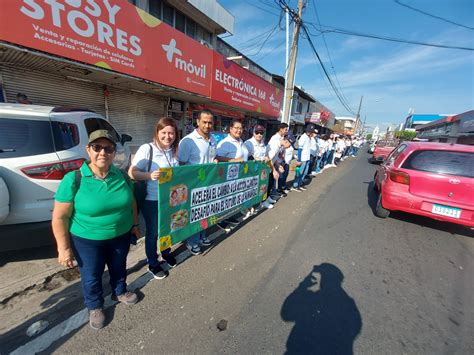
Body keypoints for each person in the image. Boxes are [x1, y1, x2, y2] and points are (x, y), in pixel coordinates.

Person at [52, 130, 140, 330]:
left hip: (121, 235)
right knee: (92, 275)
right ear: (88, 150)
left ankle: (120, 291)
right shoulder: (74, 179)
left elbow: (132, 203)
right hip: (87, 240)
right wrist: (63, 248)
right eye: (97, 147)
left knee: (119, 267)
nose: (103, 152)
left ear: (114, 152)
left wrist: (135, 225)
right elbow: (59, 217)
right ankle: (95, 306)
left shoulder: (120, 176)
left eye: (108, 148)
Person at [129, 117, 179, 280]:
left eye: (171, 133)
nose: (167, 136)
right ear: (157, 132)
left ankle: (166, 253)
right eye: (163, 132)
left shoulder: (174, 150)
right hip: (151, 199)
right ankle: (152, 263)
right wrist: (149, 175)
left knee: (168, 228)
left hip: (170, 199)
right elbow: (132, 172)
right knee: (153, 232)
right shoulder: (147, 149)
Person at [178, 110, 217, 255]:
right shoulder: (188, 141)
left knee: (206, 211)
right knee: (195, 214)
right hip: (193, 186)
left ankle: (202, 236)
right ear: (197, 122)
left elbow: (212, 158)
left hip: (209, 185)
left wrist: (214, 162)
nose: (207, 125)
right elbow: (181, 164)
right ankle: (192, 241)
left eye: (210, 122)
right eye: (204, 122)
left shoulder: (213, 139)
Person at [266, 123, 289, 207]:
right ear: (281, 129)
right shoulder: (275, 141)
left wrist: (278, 165)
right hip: (268, 165)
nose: (287, 143)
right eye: (286, 129)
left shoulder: (279, 140)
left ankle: (268, 197)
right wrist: (274, 170)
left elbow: (274, 158)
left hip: (272, 163)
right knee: (267, 183)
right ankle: (264, 201)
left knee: (271, 181)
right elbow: (269, 158)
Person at [292, 124, 314, 191]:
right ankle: (295, 186)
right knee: (299, 173)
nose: (310, 132)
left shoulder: (308, 138)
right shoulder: (303, 137)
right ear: (306, 130)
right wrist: (299, 159)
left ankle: (300, 184)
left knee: (304, 172)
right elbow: (299, 149)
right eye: (309, 131)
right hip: (302, 159)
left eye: (311, 131)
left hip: (307, 158)